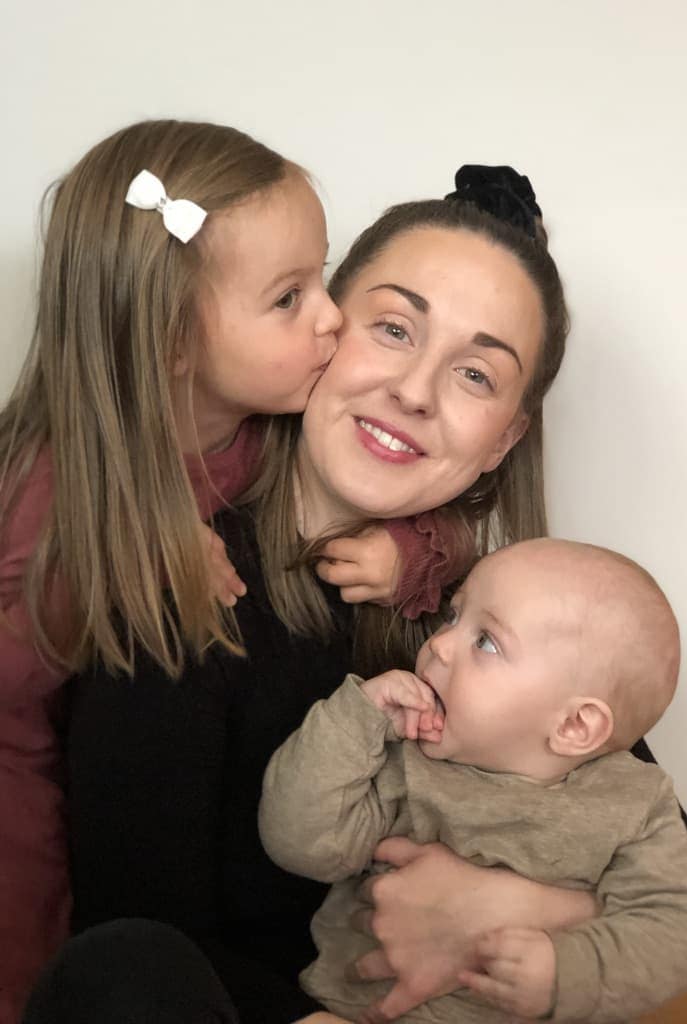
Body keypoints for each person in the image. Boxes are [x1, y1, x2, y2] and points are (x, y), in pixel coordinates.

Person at [25, 166, 687, 1024]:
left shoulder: (500, 612)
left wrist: (509, 909)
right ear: (321, 329)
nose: (414, 392)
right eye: (394, 329)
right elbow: (138, 942)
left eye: (476, 375)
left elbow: (686, 882)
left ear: (504, 440)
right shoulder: (187, 579)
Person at [0, 119, 465, 1024]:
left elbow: (405, 500)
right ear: (172, 341)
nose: (333, 316)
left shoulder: (266, 432)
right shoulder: (48, 491)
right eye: (289, 298)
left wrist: (410, 552)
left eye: (321, 277)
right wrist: (130, 556)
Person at [260, 539, 687, 1024]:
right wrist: (357, 721)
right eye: (454, 617)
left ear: (574, 726)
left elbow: (685, 925)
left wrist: (565, 970)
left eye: (486, 642)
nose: (438, 644)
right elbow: (300, 846)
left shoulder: (631, 805)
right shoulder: (403, 758)